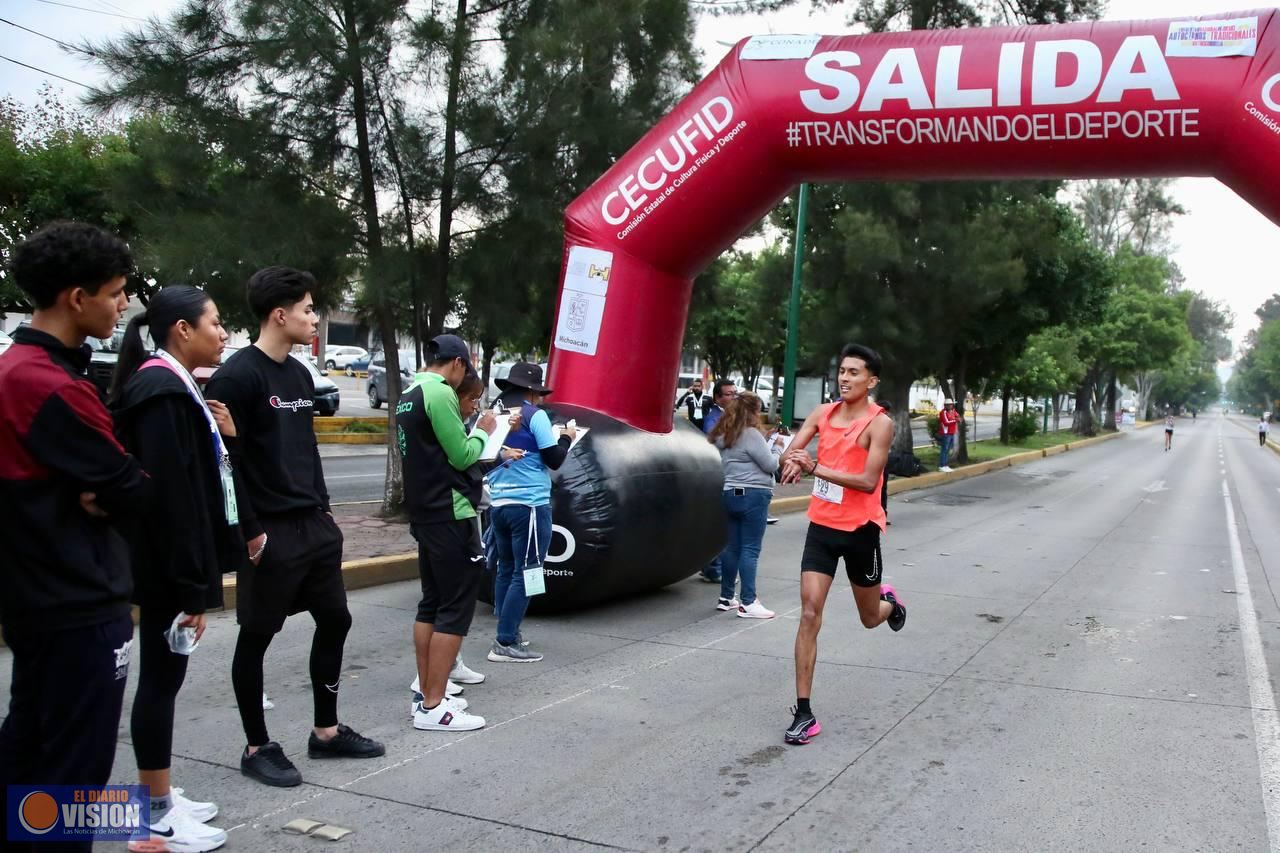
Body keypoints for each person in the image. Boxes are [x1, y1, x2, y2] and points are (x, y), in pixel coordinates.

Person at [0, 222, 151, 852]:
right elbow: (136, 491)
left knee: (30, 752)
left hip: (37, 599)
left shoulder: (17, 368)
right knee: (76, 780)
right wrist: (119, 484)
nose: (122, 306)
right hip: (78, 602)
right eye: (115, 293)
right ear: (75, 298)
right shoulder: (50, 384)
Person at [205, 266, 383, 788]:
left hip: (313, 525)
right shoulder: (237, 377)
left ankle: (325, 732)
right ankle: (256, 745)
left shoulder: (301, 375)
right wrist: (252, 531)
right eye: (307, 309)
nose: (314, 318)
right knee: (256, 637)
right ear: (279, 315)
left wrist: (326, 510)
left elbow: (306, 448)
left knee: (336, 620)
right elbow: (224, 463)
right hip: (269, 531)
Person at [109, 286, 237, 852]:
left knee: (167, 679)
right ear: (182, 330)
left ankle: (157, 794)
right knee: (160, 682)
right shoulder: (161, 390)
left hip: (171, 565)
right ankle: (154, 814)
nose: (223, 332)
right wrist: (192, 588)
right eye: (215, 323)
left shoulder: (173, 384)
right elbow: (172, 499)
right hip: (165, 569)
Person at [779, 343, 905, 747]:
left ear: (872, 380)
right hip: (822, 528)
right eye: (842, 371)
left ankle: (892, 604)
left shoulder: (879, 424)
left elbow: (869, 481)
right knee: (810, 612)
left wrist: (817, 467)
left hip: (861, 531)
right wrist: (793, 460)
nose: (845, 378)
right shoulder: (823, 414)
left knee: (869, 618)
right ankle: (803, 712)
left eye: (854, 372)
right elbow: (793, 449)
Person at [397, 336, 500, 731]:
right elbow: (462, 454)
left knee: (431, 603)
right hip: (450, 510)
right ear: (458, 363)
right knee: (455, 608)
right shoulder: (439, 392)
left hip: (425, 509)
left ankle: (427, 697)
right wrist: (484, 430)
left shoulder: (410, 391)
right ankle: (434, 704)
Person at [487, 362, 575, 663]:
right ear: (530, 391)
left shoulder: (491, 414)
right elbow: (554, 459)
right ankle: (506, 640)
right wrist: (567, 437)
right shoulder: (533, 415)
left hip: (498, 504)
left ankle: (507, 627)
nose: (540, 399)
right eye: (538, 394)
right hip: (530, 505)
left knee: (507, 569)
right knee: (528, 572)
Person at [709, 392, 779, 618]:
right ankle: (748, 602)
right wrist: (777, 447)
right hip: (754, 495)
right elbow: (769, 465)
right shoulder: (750, 434)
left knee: (733, 548)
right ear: (752, 411)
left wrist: (765, 440)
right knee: (750, 549)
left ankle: (726, 597)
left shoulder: (725, 434)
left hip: (730, 493)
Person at [937, 398, 959, 472]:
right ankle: (942, 465)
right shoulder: (943, 413)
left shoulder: (953, 411)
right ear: (945, 405)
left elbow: (957, 416)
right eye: (948, 405)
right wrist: (955, 420)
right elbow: (946, 422)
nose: (950, 406)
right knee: (944, 450)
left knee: (947, 450)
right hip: (946, 433)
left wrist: (955, 418)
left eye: (951, 405)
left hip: (951, 433)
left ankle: (946, 465)